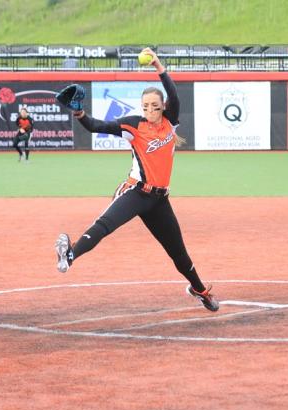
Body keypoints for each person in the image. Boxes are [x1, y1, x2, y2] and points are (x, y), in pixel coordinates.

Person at [54, 48, 219, 312]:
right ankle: (70, 254)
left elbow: (174, 94)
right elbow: (98, 126)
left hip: (160, 200)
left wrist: (157, 64)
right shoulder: (134, 125)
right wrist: (79, 113)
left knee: (178, 252)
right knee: (105, 225)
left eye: (155, 106)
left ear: (162, 107)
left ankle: (199, 289)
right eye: (146, 107)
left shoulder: (170, 123)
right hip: (136, 192)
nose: (150, 110)